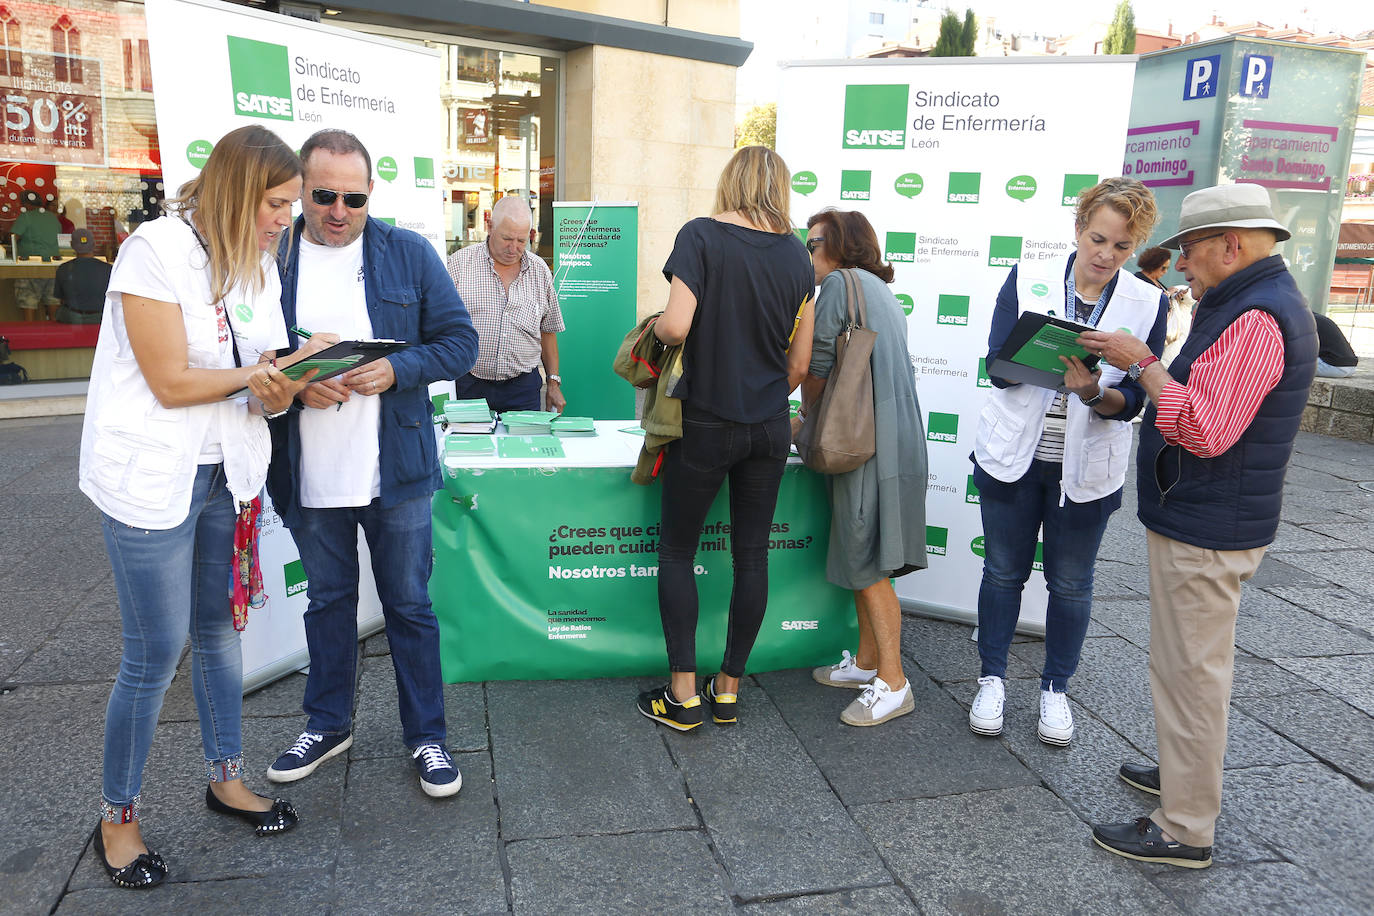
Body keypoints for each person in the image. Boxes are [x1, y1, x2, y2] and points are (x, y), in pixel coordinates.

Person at [78, 124, 333, 889]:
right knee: (153, 654)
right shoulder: (153, 250)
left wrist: (286, 383)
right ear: (236, 190)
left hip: (228, 472)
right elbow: (170, 381)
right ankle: (116, 818)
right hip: (151, 478)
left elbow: (251, 385)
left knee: (220, 634)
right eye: (280, 202)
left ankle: (225, 778)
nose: (289, 218)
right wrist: (265, 371)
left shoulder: (257, 263)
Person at [1083, 184, 1317, 869]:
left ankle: (1184, 825)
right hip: (1208, 517)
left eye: (1189, 250)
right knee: (1186, 667)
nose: (1183, 265)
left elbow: (1206, 429)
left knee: (1191, 675)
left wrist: (1144, 364)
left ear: (1231, 245)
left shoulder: (1256, 317)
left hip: (1209, 524)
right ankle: (1185, 776)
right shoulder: (1251, 304)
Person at [265, 129, 478, 798]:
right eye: (323, 194)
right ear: (301, 187)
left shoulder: (407, 252)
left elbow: (459, 343)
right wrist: (296, 382)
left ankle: (428, 737)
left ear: (369, 194)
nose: (337, 210)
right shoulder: (271, 256)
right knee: (327, 602)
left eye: (352, 197)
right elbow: (248, 358)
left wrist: (397, 367)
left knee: (409, 607)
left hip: (399, 471)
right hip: (307, 469)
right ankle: (328, 724)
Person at [969, 177, 1167, 747]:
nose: (1106, 255)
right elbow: (996, 365)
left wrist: (1089, 393)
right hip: (1015, 456)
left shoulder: (1147, 301)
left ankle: (1055, 689)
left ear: (1135, 248)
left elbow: (1132, 399)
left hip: (1086, 464)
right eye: (1098, 239)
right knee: (1002, 571)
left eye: (1122, 247)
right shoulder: (1027, 278)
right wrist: (1043, 361)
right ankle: (992, 679)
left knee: (1073, 583)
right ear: (1078, 229)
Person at [636, 145, 815, 731]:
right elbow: (799, 365)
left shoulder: (700, 236)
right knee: (751, 558)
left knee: (678, 552)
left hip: (705, 422)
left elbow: (675, 326)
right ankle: (730, 688)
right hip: (768, 426)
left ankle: (683, 694)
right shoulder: (798, 255)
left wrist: (653, 334)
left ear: (731, 180)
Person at [802, 210, 928, 726]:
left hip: (863, 443)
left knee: (870, 561)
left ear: (839, 246)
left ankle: (894, 682)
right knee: (866, 551)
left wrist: (805, 420)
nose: (807, 253)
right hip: (891, 438)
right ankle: (869, 661)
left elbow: (816, 370)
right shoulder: (879, 290)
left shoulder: (837, 284)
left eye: (813, 243)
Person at [445, 195, 565, 412]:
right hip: (467, 384)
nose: (514, 248)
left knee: (523, 445)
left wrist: (553, 383)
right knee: (469, 445)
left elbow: (548, 331)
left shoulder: (540, 271)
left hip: (522, 389)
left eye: (521, 241)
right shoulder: (458, 265)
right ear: (490, 226)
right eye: (507, 238)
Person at [10, 190, 61, 321]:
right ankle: (56, 337)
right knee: (53, 302)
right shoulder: (52, 217)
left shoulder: (26, 216)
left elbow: (14, 237)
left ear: (26, 204)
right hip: (52, 267)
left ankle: (30, 336)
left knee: (28, 301)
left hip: (30, 267)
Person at [54, 228, 112, 324]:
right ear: (93, 245)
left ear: (72, 245)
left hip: (72, 318)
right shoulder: (108, 269)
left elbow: (60, 298)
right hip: (100, 318)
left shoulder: (63, 269)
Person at [1313, 311, 1358, 378]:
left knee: (1293, 365)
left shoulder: (1305, 320)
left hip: (1332, 366)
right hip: (1350, 366)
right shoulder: (1315, 317)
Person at [1160, 284, 1195, 367]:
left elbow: (1190, 295)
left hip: (1169, 363)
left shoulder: (1185, 317)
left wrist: (1176, 292)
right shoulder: (1169, 309)